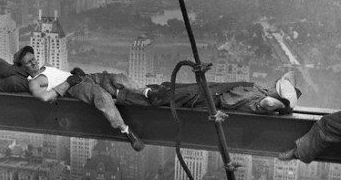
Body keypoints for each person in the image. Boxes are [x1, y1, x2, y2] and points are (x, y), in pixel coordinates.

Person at [12, 46, 167, 152]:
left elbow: (59, 74)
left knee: (118, 77)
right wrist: (67, 83)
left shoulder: (45, 66)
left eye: (33, 58)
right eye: (29, 62)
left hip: (84, 77)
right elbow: (45, 98)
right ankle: (126, 131)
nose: (34, 62)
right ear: (22, 67)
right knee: (102, 96)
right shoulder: (34, 82)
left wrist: (72, 73)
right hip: (76, 87)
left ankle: (147, 92)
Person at [120, 71, 302, 115]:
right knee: (166, 87)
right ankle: (124, 90)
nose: (273, 85)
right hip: (206, 90)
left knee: (160, 98)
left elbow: (270, 105)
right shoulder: (258, 89)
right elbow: (290, 74)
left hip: (206, 100)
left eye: (276, 87)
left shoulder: (261, 102)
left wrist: (284, 106)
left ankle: (122, 94)